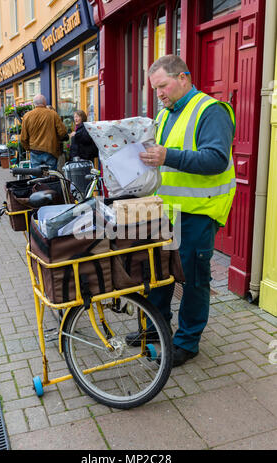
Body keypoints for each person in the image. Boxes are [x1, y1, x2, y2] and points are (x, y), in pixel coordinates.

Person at [126, 55, 236, 367]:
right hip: (167, 210)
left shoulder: (210, 110)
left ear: (184, 78)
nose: (158, 93)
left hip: (198, 212)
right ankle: (153, 331)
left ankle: (187, 342)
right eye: (155, 88)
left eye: (163, 85)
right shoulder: (165, 114)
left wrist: (167, 156)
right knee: (159, 274)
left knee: (193, 279)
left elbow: (216, 160)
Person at [21, 94, 68, 170]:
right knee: (51, 176)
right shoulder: (53, 114)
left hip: (35, 151)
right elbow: (62, 133)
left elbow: (23, 138)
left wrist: (29, 149)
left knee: (36, 176)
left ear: (34, 104)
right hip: (50, 150)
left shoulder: (27, 116)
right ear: (45, 103)